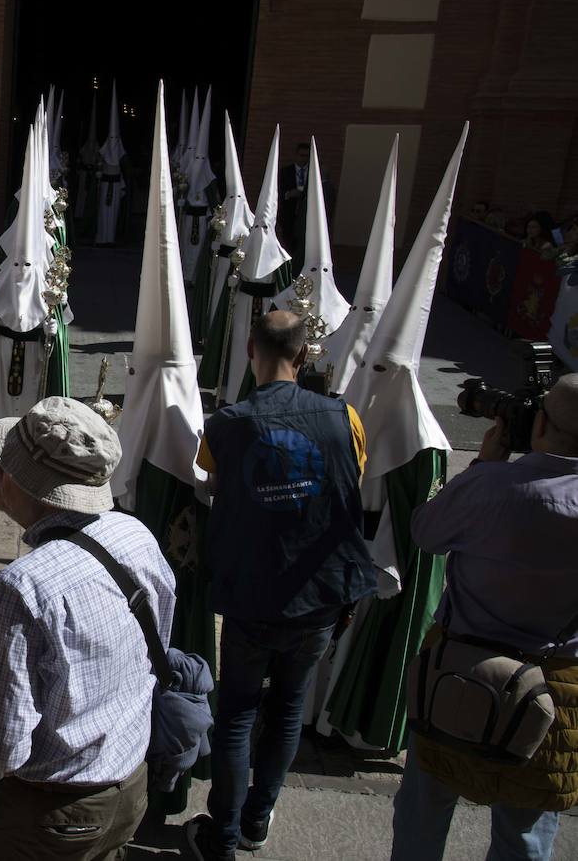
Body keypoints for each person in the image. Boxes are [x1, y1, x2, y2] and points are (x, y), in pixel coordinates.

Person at [186, 310, 374, 861]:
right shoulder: (345, 416)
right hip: (319, 595)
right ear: (304, 355)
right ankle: (256, 820)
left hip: (253, 593)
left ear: (250, 350)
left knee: (238, 713)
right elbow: (353, 477)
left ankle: (221, 837)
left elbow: (213, 481)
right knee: (289, 707)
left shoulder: (226, 424)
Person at [0, 396, 175, 860]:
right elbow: (155, 649)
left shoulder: (22, 587)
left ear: (37, 487)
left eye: (7, 465)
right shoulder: (135, 534)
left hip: (53, 815)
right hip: (130, 786)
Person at [388, 374, 578, 861]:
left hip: (459, 671)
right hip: (555, 687)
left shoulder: (492, 486)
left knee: (424, 811)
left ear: (540, 424)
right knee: (525, 833)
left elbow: (426, 533)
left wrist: (484, 465)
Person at [277, 141, 311, 272]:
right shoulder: (285, 172)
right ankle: (286, 268)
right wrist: (288, 194)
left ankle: (297, 270)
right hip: (288, 213)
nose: (304, 159)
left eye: (306, 156)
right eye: (301, 155)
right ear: (296, 155)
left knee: (301, 244)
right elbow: (277, 191)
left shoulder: (313, 172)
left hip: (304, 214)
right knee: (287, 241)